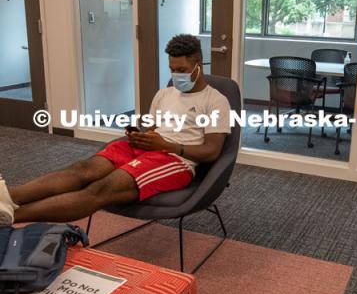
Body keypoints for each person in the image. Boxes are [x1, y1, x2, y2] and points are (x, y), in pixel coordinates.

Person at [0, 34, 231, 226]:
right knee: (82, 169)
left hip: (175, 160)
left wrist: (166, 145)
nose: (176, 76)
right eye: (172, 69)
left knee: (102, 188)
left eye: (181, 69)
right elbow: (152, 129)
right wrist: (140, 136)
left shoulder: (215, 101)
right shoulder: (164, 94)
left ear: (198, 64)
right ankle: (8, 196)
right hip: (147, 149)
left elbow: (211, 152)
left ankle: (12, 216)